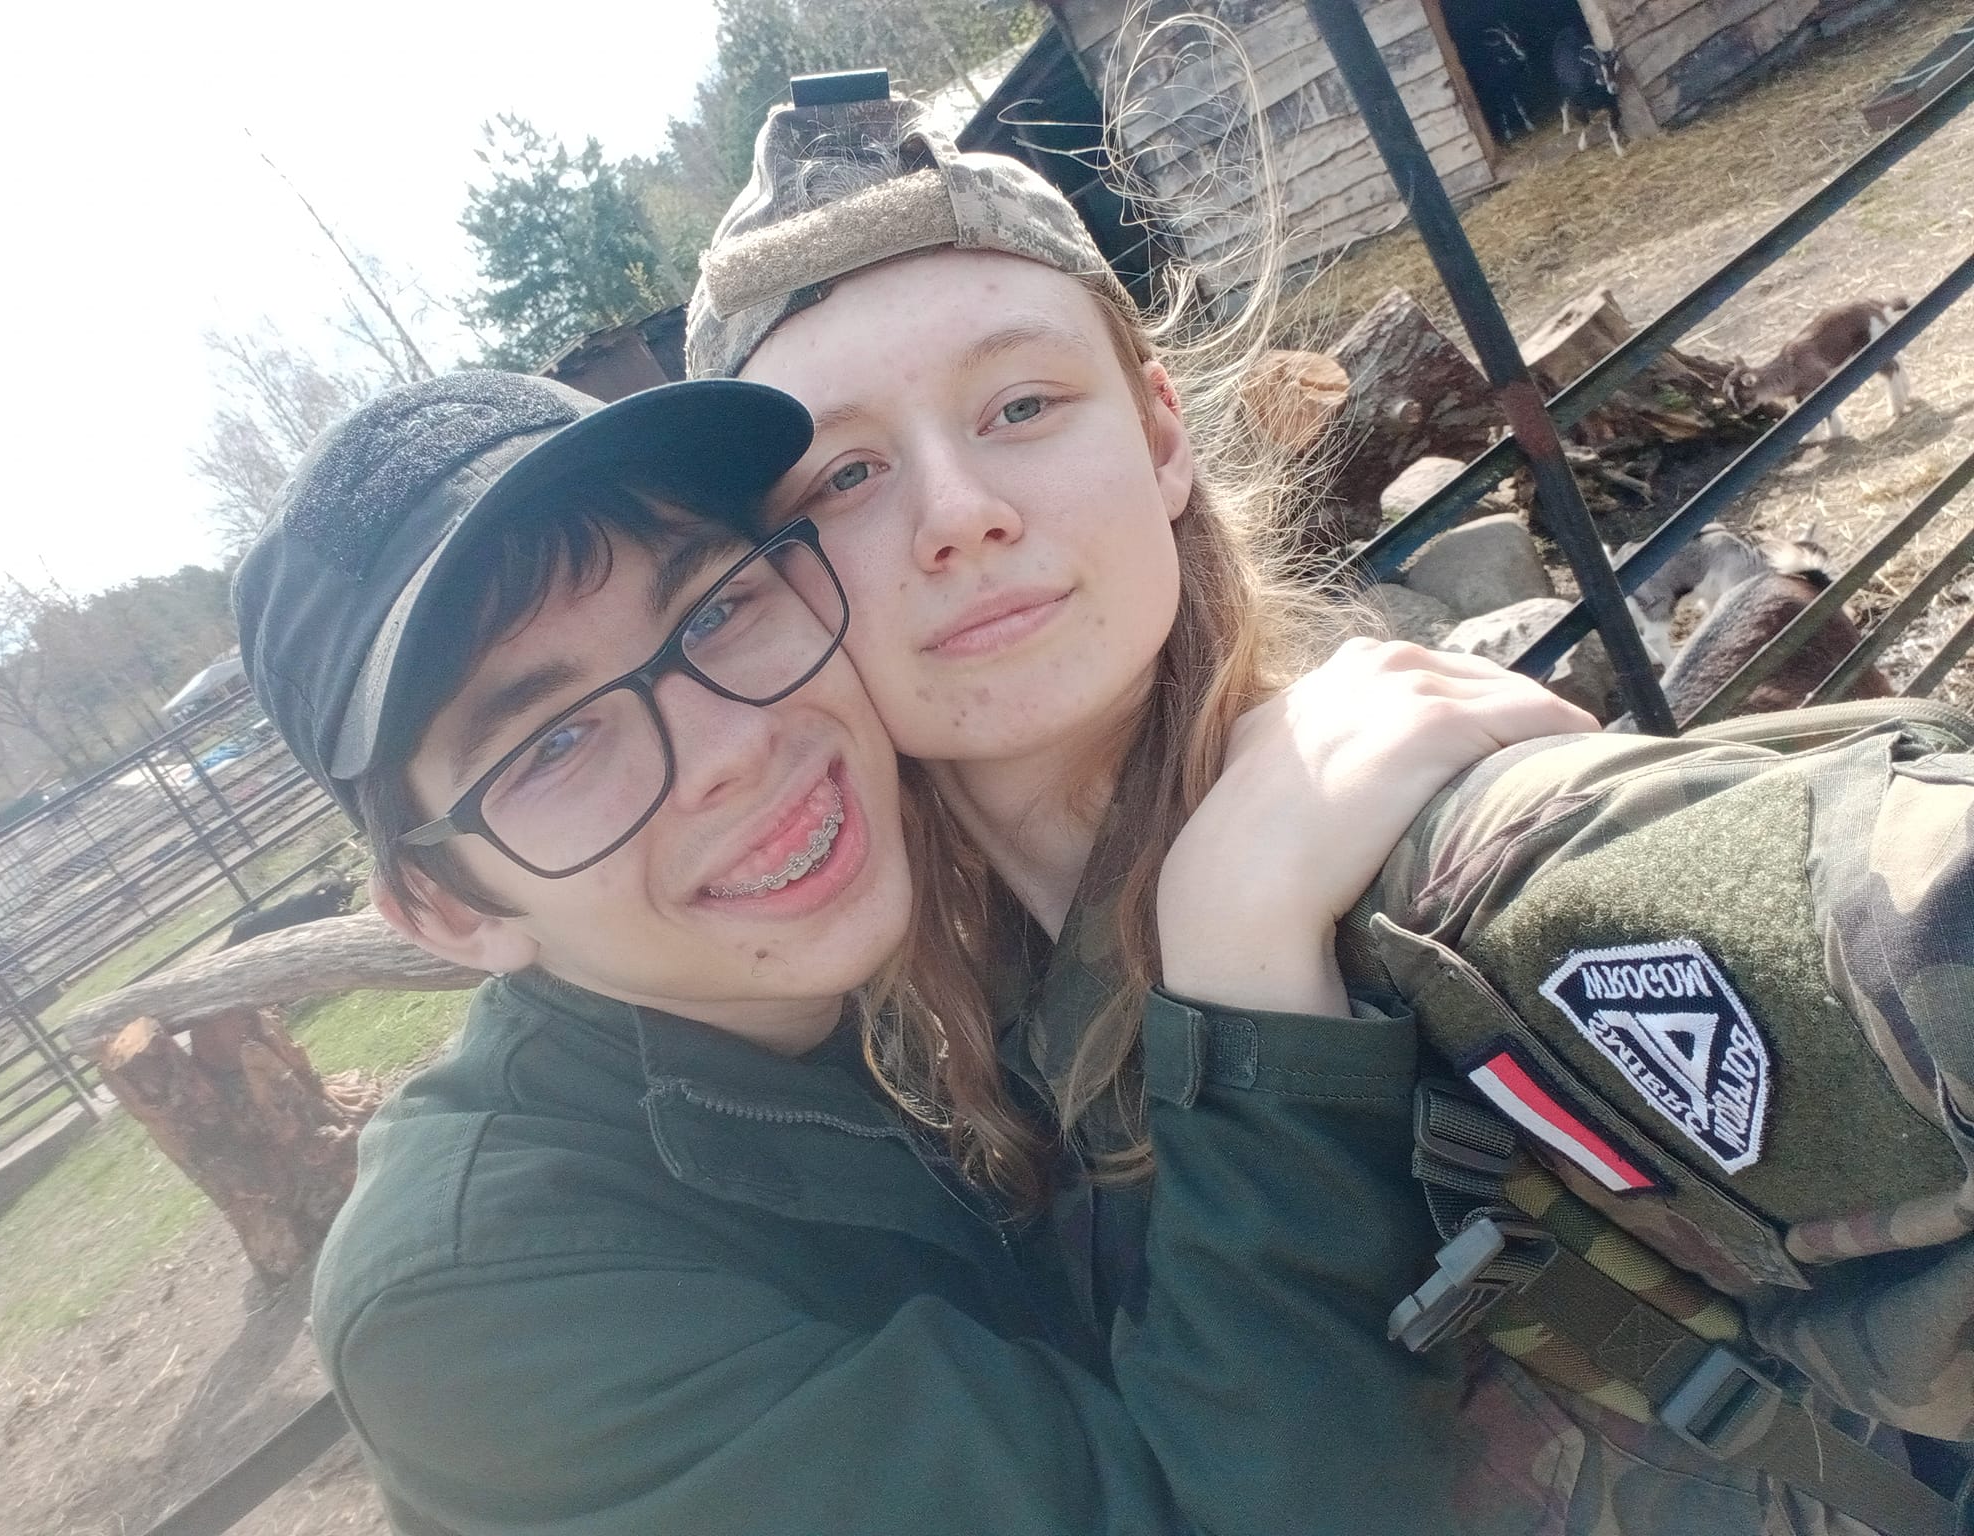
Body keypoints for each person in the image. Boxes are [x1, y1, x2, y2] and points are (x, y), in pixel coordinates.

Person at [685, 74, 1973, 1534]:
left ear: (1160, 436)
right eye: (844, 474)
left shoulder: (1467, 883)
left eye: (1021, 404)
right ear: (773, 587)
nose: (956, 511)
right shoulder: (949, 1062)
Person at [236, 368, 1498, 1534]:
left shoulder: (922, 953)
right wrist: (1244, 975)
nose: (732, 747)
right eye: (553, 744)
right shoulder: (475, 1320)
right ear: (448, 909)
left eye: (717, 609)